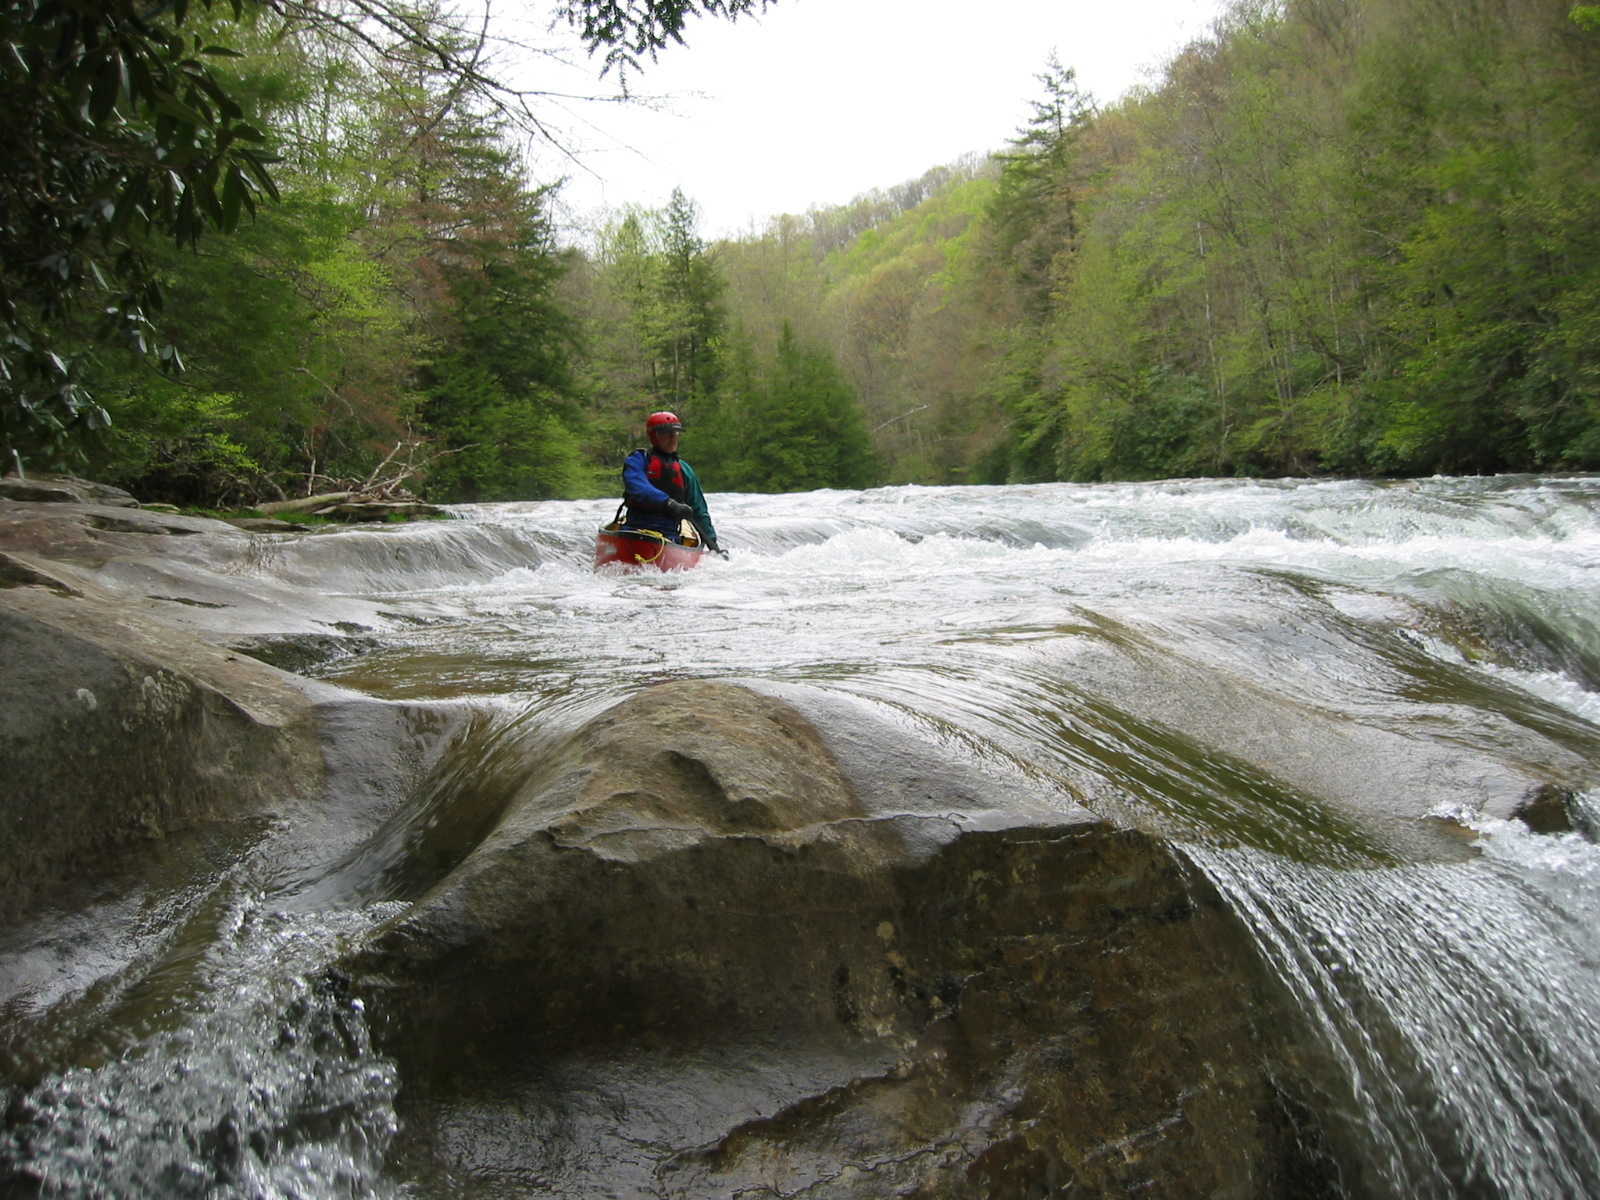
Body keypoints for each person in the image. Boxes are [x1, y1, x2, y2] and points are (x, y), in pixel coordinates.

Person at [621, 410, 724, 555]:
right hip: (634, 527)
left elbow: (699, 510)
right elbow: (638, 487)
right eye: (665, 433)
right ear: (654, 436)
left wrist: (713, 544)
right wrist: (669, 503)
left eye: (675, 433)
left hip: (669, 535)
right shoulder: (638, 460)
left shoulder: (685, 470)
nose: (672, 438)